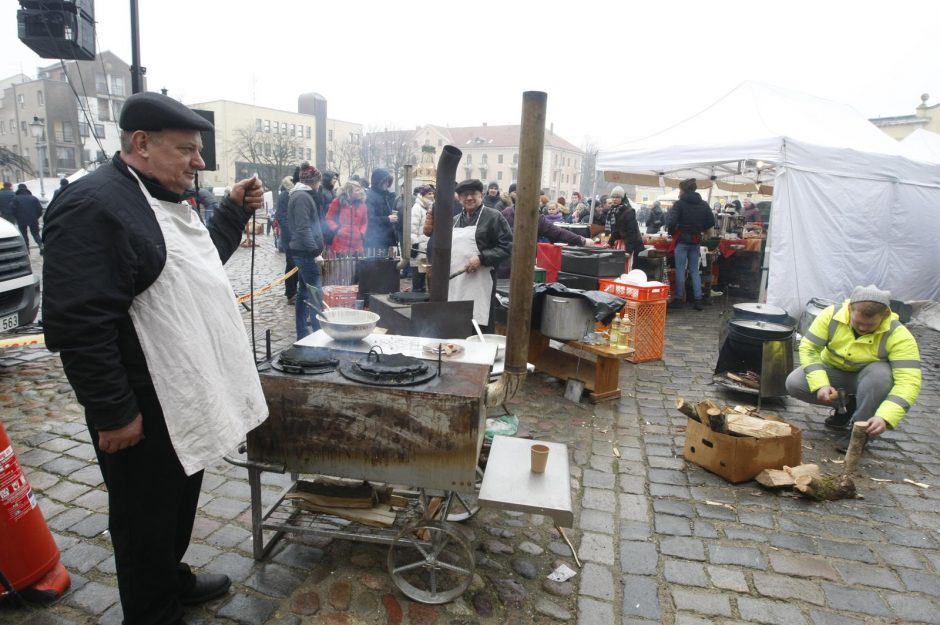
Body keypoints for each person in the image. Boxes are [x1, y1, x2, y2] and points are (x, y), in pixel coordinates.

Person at [41, 91, 268, 625]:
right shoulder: (94, 204)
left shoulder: (162, 196)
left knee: (179, 498)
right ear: (140, 143)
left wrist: (233, 210)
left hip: (183, 394)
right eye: (188, 149)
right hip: (142, 401)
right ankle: (152, 611)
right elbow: (80, 322)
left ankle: (171, 577)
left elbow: (190, 263)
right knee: (144, 516)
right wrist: (114, 412)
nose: (200, 162)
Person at [785, 285, 921, 453]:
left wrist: (885, 417)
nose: (863, 328)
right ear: (850, 309)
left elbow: (909, 382)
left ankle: (860, 433)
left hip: (869, 379)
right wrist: (821, 384)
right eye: (858, 322)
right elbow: (809, 348)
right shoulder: (831, 314)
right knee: (795, 383)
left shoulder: (899, 334)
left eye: (870, 325)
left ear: (884, 315)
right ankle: (846, 405)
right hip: (834, 370)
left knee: (881, 376)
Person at [449, 179, 512, 331]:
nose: (469, 198)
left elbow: (507, 246)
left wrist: (482, 258)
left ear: (481, 196)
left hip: (480, 282)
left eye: (473, 194)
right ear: (459, 198)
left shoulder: (493, 217)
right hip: (456, 283)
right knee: (456, 323)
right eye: (465, 194)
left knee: (478, 325)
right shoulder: (455, 220)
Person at [498, 195, 590, 278]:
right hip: (521, 266)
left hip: (501, 267)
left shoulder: (505, 213)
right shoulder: (534, 217)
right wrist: (582, 240)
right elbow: (558, 233)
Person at [666, 178, 716, 310]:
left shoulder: (679, 204)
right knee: (694, 271)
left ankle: (678, 299)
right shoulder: (704, 204)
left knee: (681, 270)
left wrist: (672, 232)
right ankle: (698, 300)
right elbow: (711, 221)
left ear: (683, 189)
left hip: (682, 240)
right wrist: (700, 229)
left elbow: (671, 222)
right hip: (695, 240)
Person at [289, 165, 325, 339]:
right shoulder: (302, 197)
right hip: (305, 253)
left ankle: (303, 334)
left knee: (304, 292)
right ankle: (318, 334)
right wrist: (314, 252)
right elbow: (303, 228)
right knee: (315, 293)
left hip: (303, 252)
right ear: (315, 181)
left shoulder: (302, 195)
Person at [326, 179, 368, 256]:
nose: (361, 191)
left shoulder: (363, 205)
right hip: (340, 246)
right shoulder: (337, 202)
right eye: (357, 190)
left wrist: (361, 233)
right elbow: (329, 218)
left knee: (357, 268)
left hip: (357, 247)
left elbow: (364, 222)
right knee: (341, 267)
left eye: (360, 189)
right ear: (349, 192)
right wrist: (337, 229)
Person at [364, 168, 398, 256]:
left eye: (388, 181)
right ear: (378, 181)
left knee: (390, 264)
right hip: (376, 239)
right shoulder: (370, 196)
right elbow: (370, 219)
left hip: (388, 237)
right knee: (378, 265)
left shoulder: (386, 195)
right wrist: (387, 219)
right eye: (385, 181)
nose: (387, 184)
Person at [275, 176, 298, 303]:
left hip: (297, 236)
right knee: (291, 264)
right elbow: (282, 216)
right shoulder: (284, 195)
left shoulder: (296, 194)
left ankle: (295, 290)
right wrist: (291, 234)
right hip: (289, 238)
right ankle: (290, 293)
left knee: (297, 264)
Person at [607, 186, 644, 261]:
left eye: (617, 197)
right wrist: (610, 243)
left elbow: (632, 232)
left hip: (631, 245)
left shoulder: (629, 211)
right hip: (622, 244)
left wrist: (629, 251)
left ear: (622, 198)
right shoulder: (614, 210)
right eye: (613, 197)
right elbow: (615, 230)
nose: (614, 199)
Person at [409, 185, 434, 292]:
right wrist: (414, 244)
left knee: (425, 272)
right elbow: (412, 228)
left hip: (426, 247)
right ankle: (416, 294)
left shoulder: (429, 207)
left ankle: (423, 294)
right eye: (429, 193)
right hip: (419, 247)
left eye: (432, 193)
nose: (432, 195)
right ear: (423, 195)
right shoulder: (417, 208)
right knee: (418, 273)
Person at [12, 183, 44, 253]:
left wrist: (16, 217)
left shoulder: (16, 198)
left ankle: (27, 249)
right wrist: (36, 217)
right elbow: (39, 209)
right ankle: (40, 245)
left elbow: (13, 209)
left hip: (21, 219)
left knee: (24, 234)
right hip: (33, 219)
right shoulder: (33, 198)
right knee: (35, 233)